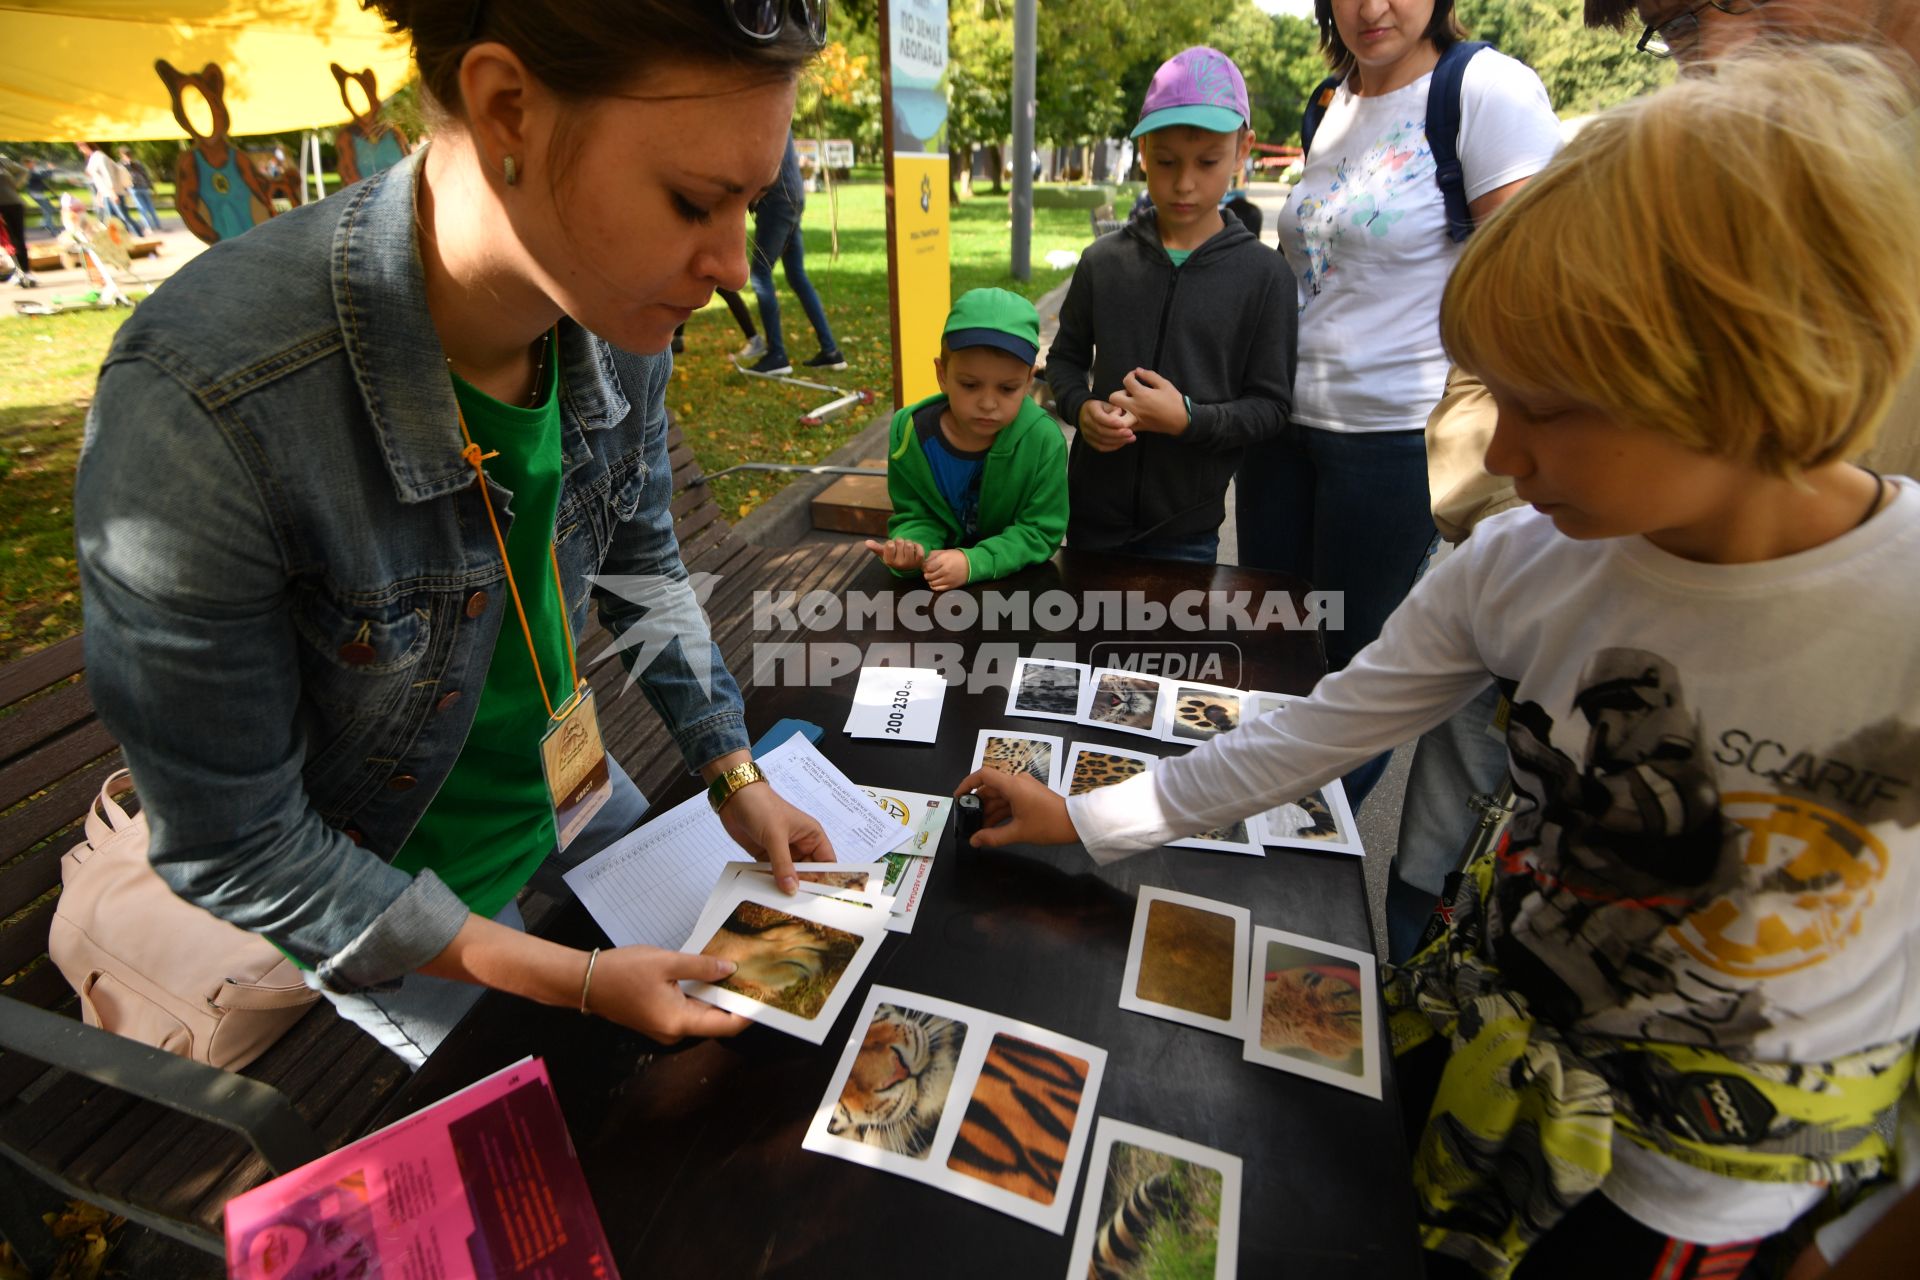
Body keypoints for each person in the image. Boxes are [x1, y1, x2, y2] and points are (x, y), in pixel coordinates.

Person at [958, 47, 1920, 1280]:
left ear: (1738, 372)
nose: (1498, 451)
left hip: (1703, 1191)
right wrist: (1089, 814)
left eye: (1549, 406)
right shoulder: (1520, 562)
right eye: (1488, 393)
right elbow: (1316, 729)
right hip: (1470, 1060)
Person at [74, 0, 840, 1070]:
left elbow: (640, 559)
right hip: (399, 899)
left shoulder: (618, 317)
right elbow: (238, 845)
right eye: (693, 202)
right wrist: (569, 979)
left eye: (753, 206)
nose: (728, 266)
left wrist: (729, 765)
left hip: (576, 800)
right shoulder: (208, 406)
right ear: (506, 108)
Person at [1235, 0, 1559, 806]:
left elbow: (1527, 284)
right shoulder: (1328, 103)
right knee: (1267, 653)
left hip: (1391, 442)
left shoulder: (1486, 90)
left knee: (1352, 678)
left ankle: (1310, 855)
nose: (1372, 8)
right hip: (1285, 431)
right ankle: (1243, 830)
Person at [1045, 46, 1295, 563]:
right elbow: (1065, 361)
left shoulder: (1265, 277)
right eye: (1165, 162)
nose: (1184, 183)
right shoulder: (1102, 262)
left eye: (1208, 162)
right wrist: (1081, 409)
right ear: (1142, 153)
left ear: (1243, 150)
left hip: (1188, 530)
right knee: (1090, 642)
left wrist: (1188, 419)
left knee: (1169, 647)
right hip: (1089, 514)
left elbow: (1270, 409)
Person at [862, 288, 1067, 591]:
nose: (987, 403)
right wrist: (913, 551)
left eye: (1007, 388)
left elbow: (1040, 531)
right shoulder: (909, 434)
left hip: (1018, 598)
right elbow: (916, 515)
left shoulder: (1044, 441)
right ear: (942, 373)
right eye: (970, 385)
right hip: (932, 596)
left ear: (1028, 381)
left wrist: (974, 563)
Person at [741, 131, 845, 376]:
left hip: (777, 199)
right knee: (797, 276)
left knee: (760, 275)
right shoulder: (773, 99)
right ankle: (831, 352)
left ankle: (777, 355)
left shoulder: (757, 105)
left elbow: (764, 160)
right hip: (793, 194)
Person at [78, 141, 141, 237]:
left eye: (81, 146)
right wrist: (100, 194)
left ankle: (139, 235)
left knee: (123, 217)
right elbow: (99, 179)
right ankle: (121, 240)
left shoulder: (100, 157)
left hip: (114, 192)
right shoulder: (93, 158)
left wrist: (113, 193)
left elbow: (108, 175)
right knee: (112, 220)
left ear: (86, 146)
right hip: (106, 193)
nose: (80, 150)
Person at [0, 155, 38, 287]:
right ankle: (13, 272)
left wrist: (14, 185)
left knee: (16, 239)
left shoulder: (2, 160)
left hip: (12, 204)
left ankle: (24, 272)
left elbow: (24, 171)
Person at [117, 146, 163, 232]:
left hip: (140, 187)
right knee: (144, 208)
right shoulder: (124, 165)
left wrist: (150, 186)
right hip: (135, 188)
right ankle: (152, 226)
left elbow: (145, 175)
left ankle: (154, 225)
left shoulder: (127, 165)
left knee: (146, 208)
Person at [25, 161, 60, 233]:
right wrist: (51, 169)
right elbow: (42, 176)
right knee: (48, 209)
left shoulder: (33, 171)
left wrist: (52, 191)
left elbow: (41, 180)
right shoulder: (28, 172)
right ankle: (50, 228)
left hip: (38, 194)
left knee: (49, 209)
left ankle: (45, 224)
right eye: (32, 163)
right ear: (27, 164)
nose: (34, 164)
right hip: (35, 194)